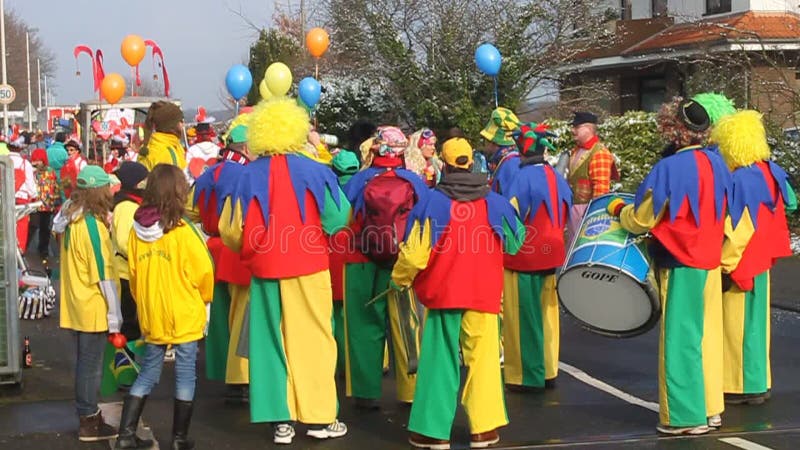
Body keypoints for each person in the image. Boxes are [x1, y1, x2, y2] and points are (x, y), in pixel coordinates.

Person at [218, 98, 351, 444]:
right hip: (309, 269)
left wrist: (254, 250)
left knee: (269, 343)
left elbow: (230, 229)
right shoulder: (318, 171)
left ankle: (280, 420)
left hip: (264, 272)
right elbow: (339, 219)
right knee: (315, 342)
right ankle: (320, 417)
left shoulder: (247, 175)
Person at [607, 97, 732, 435]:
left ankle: (683, 417)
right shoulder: (718, 164)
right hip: (709, 260)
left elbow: (642, 219)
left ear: (673, 131)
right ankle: (708, 408)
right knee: (702, 337)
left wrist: (618, 209)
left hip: (680, 260)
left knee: (678, 341)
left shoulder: (668, 169)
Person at [392, 136, 526, 449]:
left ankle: (433, 431)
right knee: (485, 361)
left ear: (446, 164)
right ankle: (484, 429)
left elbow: (414, 255)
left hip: (443, 294)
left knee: (439, 360)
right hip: (484, 293)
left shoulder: (432, 202)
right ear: (471, 161)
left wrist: (400, 280)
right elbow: (517, 242)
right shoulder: (495, 202)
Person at [115, 164, 214, 450]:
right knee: (185, 374)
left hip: (152, 313)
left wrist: (144, 301)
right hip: (184, 311)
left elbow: (133, 274)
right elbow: (204, 271)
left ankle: (125, 435)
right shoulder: (183, 231)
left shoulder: (136, 229)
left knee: (148, 372)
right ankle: (179, 439)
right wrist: (205, 299)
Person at [710, 110, 797, 406]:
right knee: (757, 326)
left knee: (736, 327)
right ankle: (758, 379)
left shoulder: (744, 178)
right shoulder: (769, 171)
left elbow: (740, 227)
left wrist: (725, 264)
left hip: (743, 261)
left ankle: (740, 384)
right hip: (763, 259)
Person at [341, 126, 428, 409]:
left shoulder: (358, 181)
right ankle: (411, 391)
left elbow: (344, 221)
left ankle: (366, 394)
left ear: (376, 148)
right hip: (401, 261)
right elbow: (424, 222)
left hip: (361, 261)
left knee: (363, 327)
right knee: (406, 326)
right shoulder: (414, 182)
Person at [52, 166, 122, 442]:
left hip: (75, 302)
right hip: (92, 306)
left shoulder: (70, 219)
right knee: (90, 368)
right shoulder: (92, 227)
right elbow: (104, 276)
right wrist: (115, 318)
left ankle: (88, 414)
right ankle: (89, 419)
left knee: (84, 364)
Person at [502, 123, 572, 391]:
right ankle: (548, 369)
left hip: (524, 257)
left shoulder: (520, 178)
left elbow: (509, 218)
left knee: (523, 317)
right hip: (550, 253)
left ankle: (525, 375)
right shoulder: (556, 176)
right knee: (547, 315)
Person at [193, 124, 253, 403]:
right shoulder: (247, 174)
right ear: (246, 147)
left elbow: (192, 209)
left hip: (212, 246)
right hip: (235, 248)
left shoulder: (209, 173)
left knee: (219, 316)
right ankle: (239, 378)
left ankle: (219, 369)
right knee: (242, 317)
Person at [328, 148, 361, 375]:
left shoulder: (328, 191)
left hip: (329, 254)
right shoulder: (365, 186)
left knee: (331, 312)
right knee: (354, 315)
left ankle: (336, 361)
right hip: (357, 254)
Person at [111, 162, 149, 344]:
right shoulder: (127, 206)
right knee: (129, 325)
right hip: (126, 272)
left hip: (128, 270)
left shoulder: (131, 202)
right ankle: (125, 367)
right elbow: (126, 242)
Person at [566, 112, 617, 242]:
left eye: (577, 127)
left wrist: (593, 216)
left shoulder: (599, 153)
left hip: (587, 213)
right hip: (575, 211)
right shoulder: (576, 151)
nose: (573, 130)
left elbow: (601, 190)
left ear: (588, 128)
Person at [27, 149, 61, 259]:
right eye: (34, 160)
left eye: (38, 161)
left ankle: (43, 251)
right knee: (33, 226)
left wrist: (56, 202)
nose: (36, 163)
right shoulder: (31, 172)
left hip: (47, 205)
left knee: (45, 229)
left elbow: (55, 186)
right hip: (35, 205)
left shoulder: (50, 172)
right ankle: (25, 247)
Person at [479, 107, 520, 193]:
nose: (484, 144)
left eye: (486, 139)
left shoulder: (510, 164)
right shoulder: (505, 160)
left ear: (494, 142)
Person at [138, 101, 187, 171]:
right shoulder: (167, 152)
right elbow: (173, 180)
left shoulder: (149, 145)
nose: (183, 125)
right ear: (172, 125)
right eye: (181, 121)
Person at [9, 137, 37, 254]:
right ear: (21, 148)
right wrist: (34, 195)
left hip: (5, 198)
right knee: (21, 225)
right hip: (21, 199)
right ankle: (19, 252)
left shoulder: (3, 161)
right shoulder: (25, 164)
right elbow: (31, 186)